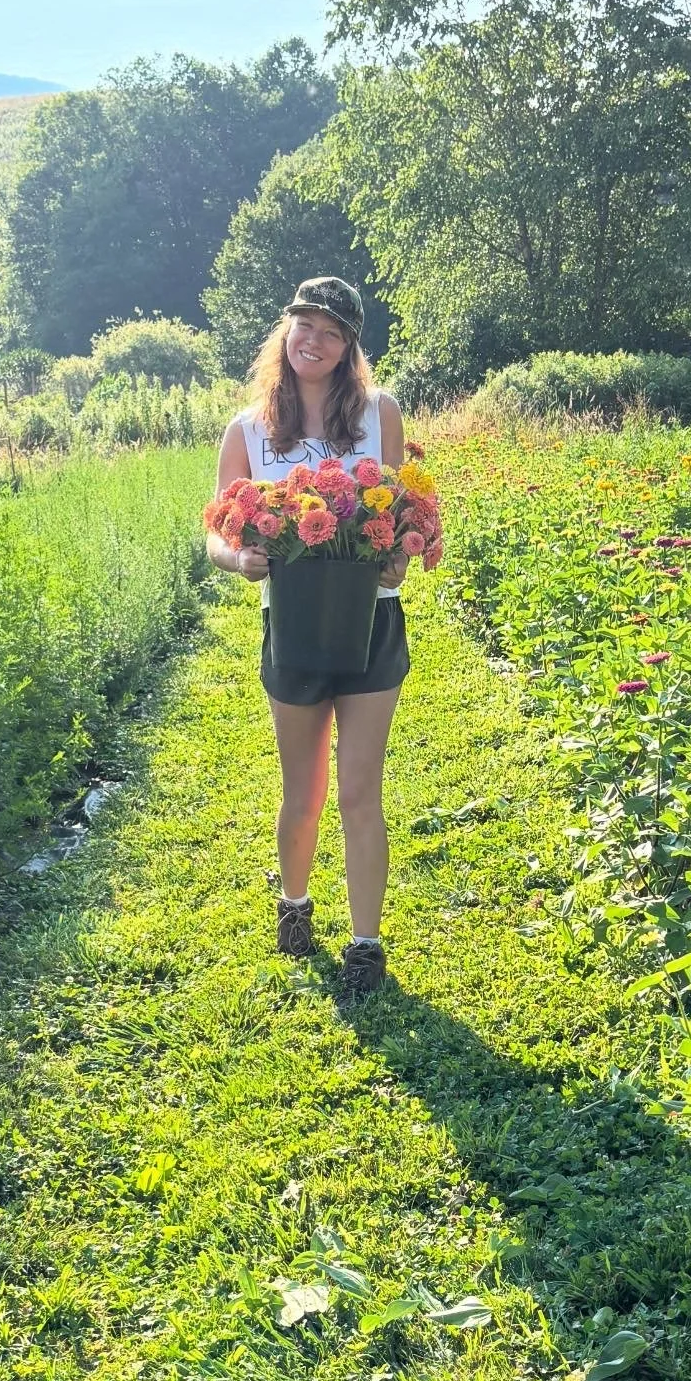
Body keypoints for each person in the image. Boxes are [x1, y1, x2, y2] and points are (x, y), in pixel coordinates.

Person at [206, 276, 409, 998]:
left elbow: (401, 519)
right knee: (305, 791)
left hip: (372, 622)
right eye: (302, 325)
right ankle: (294, 907)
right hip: (290, 625)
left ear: (350, 344)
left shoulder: (380, 415)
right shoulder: (249, 429)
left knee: (360, 789)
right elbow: (215, 534)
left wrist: (399, 554)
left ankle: (365, 947)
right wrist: (242, 560)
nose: (312, 340)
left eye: (329, 330)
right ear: (284, 333)